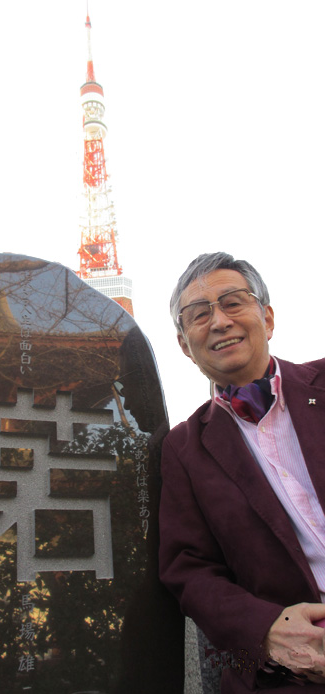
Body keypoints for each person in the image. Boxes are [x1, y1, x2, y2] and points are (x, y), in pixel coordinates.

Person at [159, 252, 325, 693]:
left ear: (266, 319)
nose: (219, 321)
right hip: (296, 670)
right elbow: (188, 568)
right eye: (199, 315)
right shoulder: (184, 448)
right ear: (184, 345)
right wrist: (266, 631)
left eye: (233, 302)